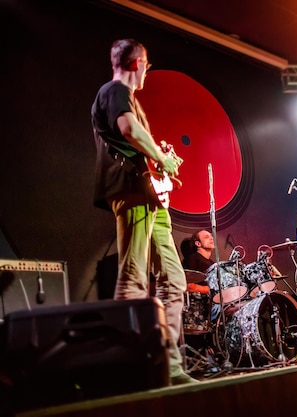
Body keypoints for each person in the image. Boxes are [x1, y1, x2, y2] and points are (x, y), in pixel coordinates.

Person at [91, 39, 196, 385]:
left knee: (174, 280)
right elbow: (128, 130)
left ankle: (169, 368)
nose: (148, 71)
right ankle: (130, 371)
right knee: (133, 278)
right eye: (148, 64)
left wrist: (159, 161)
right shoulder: (115, 90)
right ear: (138, 62)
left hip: (147, 194)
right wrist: (163, 158)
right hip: (132, 192)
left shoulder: (128, 100)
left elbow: (137, 143)